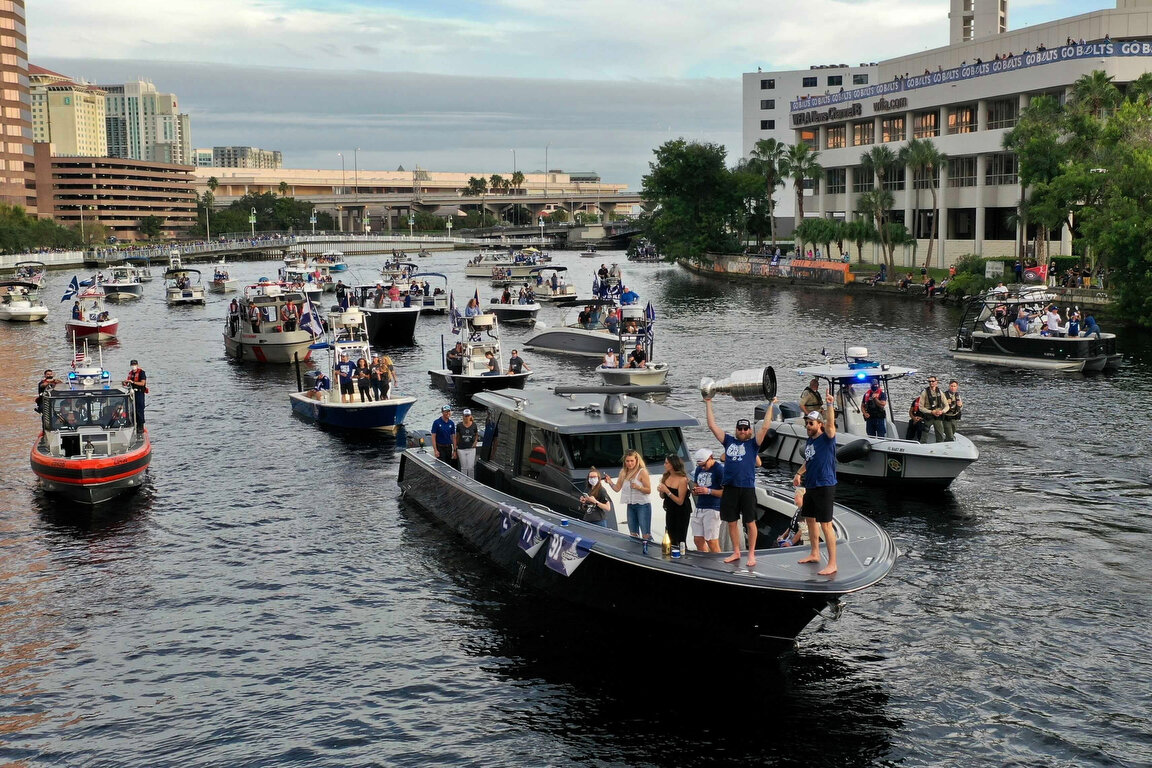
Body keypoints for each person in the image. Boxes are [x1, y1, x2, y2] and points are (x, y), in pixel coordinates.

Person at [705, 395, 776, 568]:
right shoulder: (728, 441)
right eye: (740, 428)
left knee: (750, 522)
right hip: (730, 488)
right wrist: (708, 403)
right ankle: (736, 551)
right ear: (736, 430)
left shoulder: (753, 444)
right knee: (731, 521)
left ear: (750, 431)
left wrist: (771, 405)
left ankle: (751, 554)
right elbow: (712, 426)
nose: (743, 431)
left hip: (747, 489)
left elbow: (766, 426)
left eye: (745, 428)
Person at [793, 393, 838, 576]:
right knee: (810, 519)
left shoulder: (827, 438)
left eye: (811, 423)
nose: (808, 426)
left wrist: (829, 405)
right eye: (806, 424)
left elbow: (831, 425)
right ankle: (815, 553)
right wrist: (798, 473)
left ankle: (833, 563)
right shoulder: (810, 440)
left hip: (825, 485)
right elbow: (809, 459)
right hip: (811, 485)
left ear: (819, 424)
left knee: (825, 524)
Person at [604, 449, 652, 546]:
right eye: (627, 461)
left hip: (643, 505)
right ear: (624, 462)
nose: (629, 463)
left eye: (631, 461)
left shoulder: (642, 472)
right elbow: (617, 488)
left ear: (636, 460)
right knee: (633, 533)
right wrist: (610, 482)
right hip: (630, 505)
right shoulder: (623, 472)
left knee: (645, 534)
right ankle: (636, 551)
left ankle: (649, 550)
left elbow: (648, 490)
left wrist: (638, 487)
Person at [690, 448, 723, 553]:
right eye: (700, 466)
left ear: (711, 458)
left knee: (711, 541)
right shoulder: (699, 469)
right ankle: (704, 559)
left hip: (713, 507)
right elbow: (695, 485)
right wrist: (695, 490)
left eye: (704, 465)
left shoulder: (719, 470)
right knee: (698, 539)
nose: (702, 468)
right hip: (700, 506)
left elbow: (725, 492)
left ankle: (718, 563)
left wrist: (708, 491)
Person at [657, 454, 692, 549]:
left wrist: (667, 491)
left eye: (666, 463)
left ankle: (683, 556)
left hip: (681, 512)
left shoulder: (682, 480)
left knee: (680, 538)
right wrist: (661, 491)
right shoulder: (666, 477)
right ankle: (671, 555)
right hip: (670, 510)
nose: (664, 465)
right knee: (669, 535)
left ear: (672, 465)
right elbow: (663, 497)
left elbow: (680, 501)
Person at [918, 376, 948, 443]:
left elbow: (946, 406)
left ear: (936, 382)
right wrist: (931, 412)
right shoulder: (924, 392)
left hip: (938, 416)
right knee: (924, 434)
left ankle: (940, 446)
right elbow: (921, 407)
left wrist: (942, 411)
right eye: (929, 381)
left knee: (940, 434)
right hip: (928, 416)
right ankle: (923, 445)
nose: (931, 383)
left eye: (933, 381)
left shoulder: (940, 392)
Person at [455, 409, 479, 479]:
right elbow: (457, 436)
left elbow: (477, 435)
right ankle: (463, 481)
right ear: (463, 416)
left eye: (468, 416)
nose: (467, 417)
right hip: (461, 449)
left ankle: (471, 482)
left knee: (471, 467)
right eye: (465, 416)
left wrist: (475, 442)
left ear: (470, 416)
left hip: (471, 449)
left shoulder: (474, 425)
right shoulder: (459, 425)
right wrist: (455, 447)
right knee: (464, 467)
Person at [123, 360, 147, 431]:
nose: (133, 366)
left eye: (135, 364)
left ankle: (141, 426)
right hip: (132, 393)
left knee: (140, 409)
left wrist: (133, 382)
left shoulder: (141, 373)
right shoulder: (130, 373)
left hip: (139, 392)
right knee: (133, 410)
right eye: (132, 365)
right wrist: (126, 383)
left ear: (137, 365)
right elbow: (128, 383)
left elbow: (142, 383)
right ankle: (134, 424)